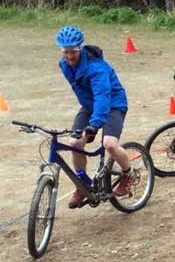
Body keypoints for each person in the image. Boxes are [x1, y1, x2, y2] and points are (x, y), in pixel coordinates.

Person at [55, 25, 135, 209]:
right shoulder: (64, 65)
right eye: (65, 52)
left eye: (73, 52)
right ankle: (82, 185)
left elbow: (102, 96)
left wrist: (95, 124)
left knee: (109, 144)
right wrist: (87, 126)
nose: (69, 56)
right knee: (74, 143)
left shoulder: (97, 68)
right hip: (90, 106)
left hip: (113, 104)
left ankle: (129, 173)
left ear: (80, 48)